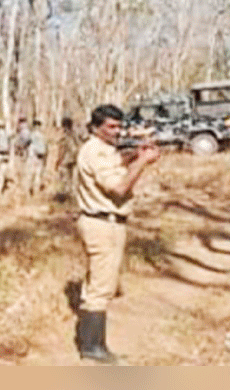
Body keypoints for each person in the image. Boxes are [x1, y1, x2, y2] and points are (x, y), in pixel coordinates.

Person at [73, 104, 160, 364]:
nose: (116, 131)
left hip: (108, 223)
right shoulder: (94, 151)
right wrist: (142, 162)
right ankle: (92, 347)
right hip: (102, 224)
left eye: (119, 126)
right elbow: (119, 187)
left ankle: (93, 343)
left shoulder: (105, 149)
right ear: (94, 127)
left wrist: (134, 155)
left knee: (99, 283)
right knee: (101, 288)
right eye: (110, 127)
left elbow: (114, 165)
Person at [54, 116, 79, 202]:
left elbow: (61, 149)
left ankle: (64, 196)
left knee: (63, 179)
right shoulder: (74, 134)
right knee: (71, 179)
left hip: (66, 160)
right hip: (74, 160)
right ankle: (71, 195)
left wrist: (58, 161)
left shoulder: (64, 135)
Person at [24, 119, 48, 196]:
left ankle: (29, 190)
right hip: (41, 157)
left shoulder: (32, 135)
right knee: (38, 174)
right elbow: (46, 148)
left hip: (32, 157)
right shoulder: (43, 136)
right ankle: (36, 191)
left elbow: (26, 144)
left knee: (31, 174)